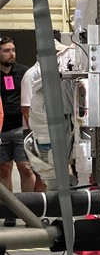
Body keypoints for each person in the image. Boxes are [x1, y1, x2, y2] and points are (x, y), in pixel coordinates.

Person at [20, 39, 75, 190]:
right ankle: (39, 208)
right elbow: (27, 108)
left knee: (57, 170)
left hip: (57, 125)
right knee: (45, 175)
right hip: (41, 128)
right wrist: (37, 132)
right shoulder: (32, 75)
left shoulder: (57, 74)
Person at [0, 36, 33, 225]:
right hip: (1, 130)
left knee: (25, 167)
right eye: (6, 50)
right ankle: (11, 211)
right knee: (4, 170)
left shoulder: (23, 72)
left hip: (21, 128)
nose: (11, 53)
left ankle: (30, 210)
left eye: (13, 49)